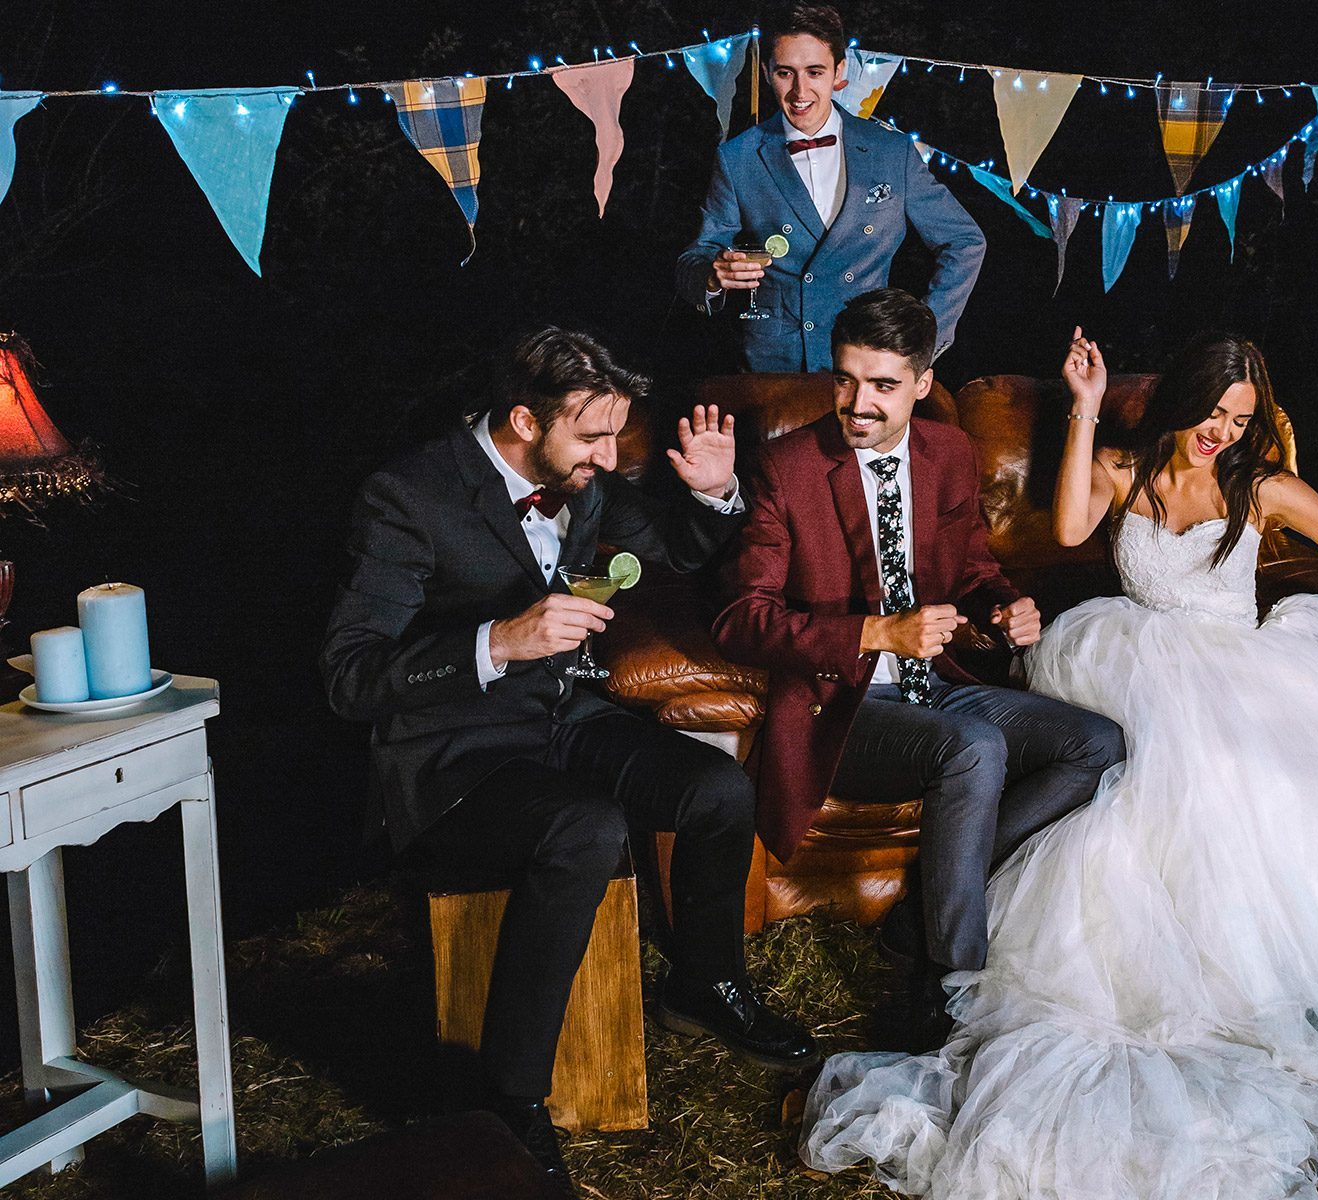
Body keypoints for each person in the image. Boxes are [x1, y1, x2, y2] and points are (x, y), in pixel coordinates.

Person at [800, 329, 1318, 1199]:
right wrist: (1083, 408)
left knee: (1280, 783)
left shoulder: (1261, 486)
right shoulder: (1128, 469)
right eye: (1211, 413)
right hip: (1131, 660)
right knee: (1150, 781)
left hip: (1246, 667)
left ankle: (1289, 966)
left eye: (1240, 418)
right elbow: (1074, 521)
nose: (1221, 432)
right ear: (1181, 402)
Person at [320, 328, 816, 1197]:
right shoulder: (409, 494)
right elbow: (350, 676)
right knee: (585, 830)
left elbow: (677, 550)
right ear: (522, 419)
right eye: (591, 438)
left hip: (563, 720)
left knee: (714, 788)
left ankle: (703, 982)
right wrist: (499, 641)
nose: (610, 456)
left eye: (616, 435)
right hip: (453, 755)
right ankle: (509, 1099)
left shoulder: (583, 481)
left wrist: (715, 494)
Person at [712, 289, 1125, 1044]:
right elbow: (743, 620)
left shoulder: (948, 452)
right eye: (844, 379)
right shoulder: (786, 467)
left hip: (938, 691)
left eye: (882, 385)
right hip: (842, 709)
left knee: (1098, 746)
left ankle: (916, 915)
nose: (857, 403)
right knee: (975, 747)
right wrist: (874, 632)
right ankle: (945, 985)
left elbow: (972, 566)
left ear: (923, 382)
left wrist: (1005, 607)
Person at [675, 3, 985, 373]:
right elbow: (694, 259)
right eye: (785, 73)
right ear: (766, 72)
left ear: (840, 72)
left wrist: (921, 340)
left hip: (867, 364)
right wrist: (713, 274)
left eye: (815, 72)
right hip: (775, 369)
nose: (799, 91)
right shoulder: (737, 157)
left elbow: (965, 242)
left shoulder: (892, 153)